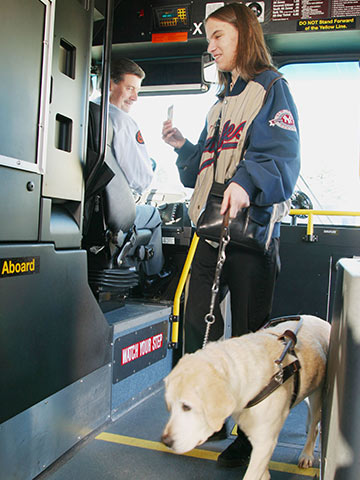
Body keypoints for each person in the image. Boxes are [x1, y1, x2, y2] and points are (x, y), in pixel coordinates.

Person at [162, 3, 300, 468]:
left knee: (249, 336)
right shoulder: (220, 103)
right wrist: (184, 145)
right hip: (209, 231)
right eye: (209, 38)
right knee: (198, 320)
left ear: (244, 34)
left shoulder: (272, 89)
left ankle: (248, 435)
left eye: (219, 35)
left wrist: (247, 180)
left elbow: (280, 155)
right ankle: (208, 414)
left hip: (250, 234)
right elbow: (201, 166)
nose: (211, 45)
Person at [99, 57, 165, 278]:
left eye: (137, 90)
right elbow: (141, 178)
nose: (135, 97)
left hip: (87, 210)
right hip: (113, 212)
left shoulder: (84, 113)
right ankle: (152, 280)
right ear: (110, 84)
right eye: (129, 88)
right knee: (154, 216)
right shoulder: (121, 121)